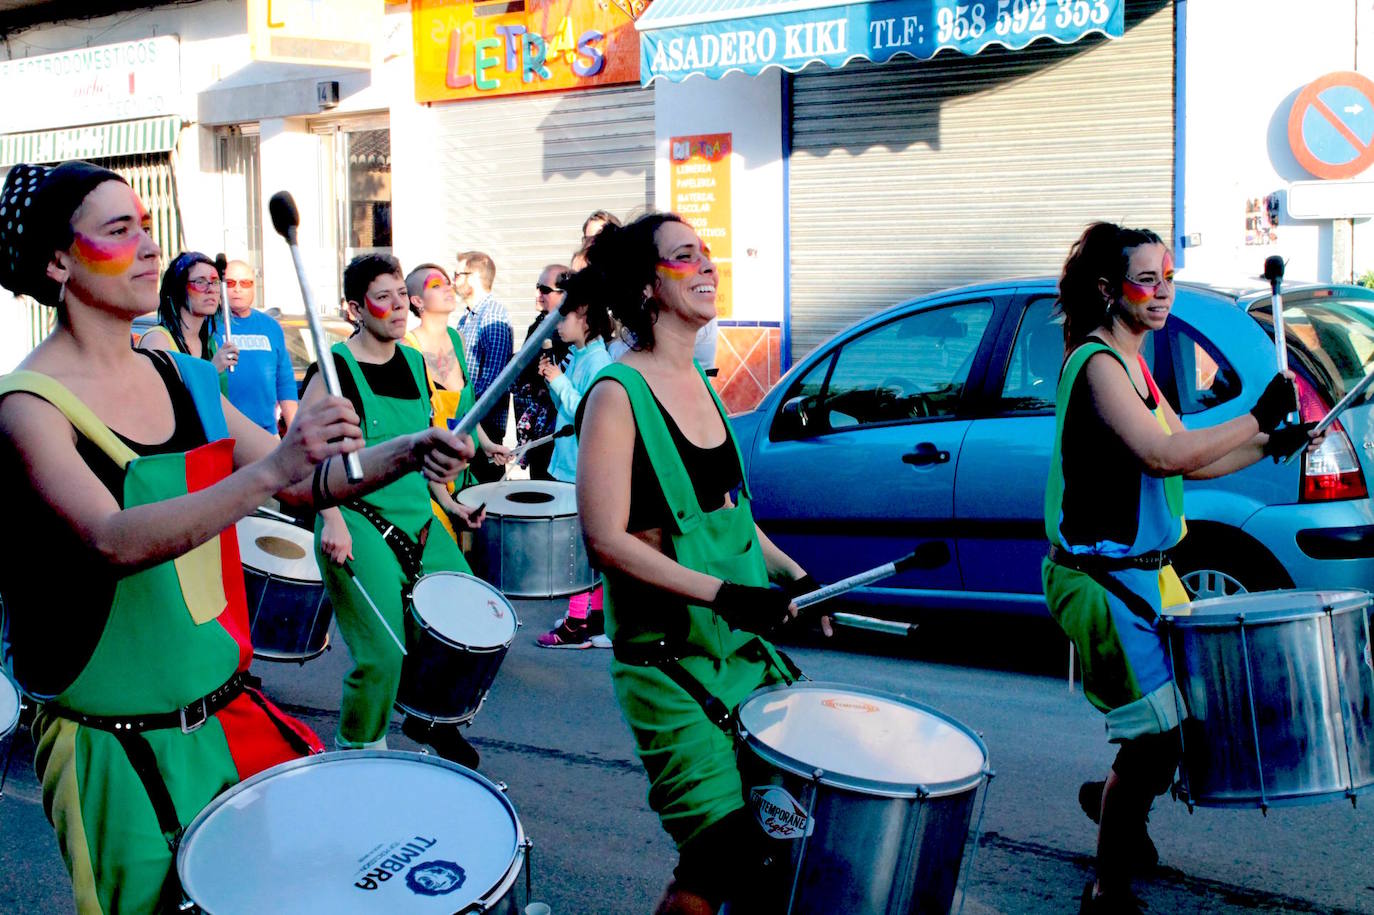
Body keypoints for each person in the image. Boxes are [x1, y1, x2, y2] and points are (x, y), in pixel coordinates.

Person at [0, 161, 475, 914]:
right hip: (114, 749)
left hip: (229, 714)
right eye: (119, 231)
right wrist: (276, 467)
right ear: (59, 261)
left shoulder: (182, 375)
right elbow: (111, 540)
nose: (149, 249)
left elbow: (305, 483)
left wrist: (409, 449)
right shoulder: (29, 407)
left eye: (148, 227)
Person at [1042, 222, 1320, 914]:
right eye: (1147, 279)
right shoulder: (1098, 365)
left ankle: (1118, 804)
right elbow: (1163, 456)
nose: (1162, 291)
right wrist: (1256, 414)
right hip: (1100, 579)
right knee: (1154, 736)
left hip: (1145, 574)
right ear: (1109, 289)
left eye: (1167, 277)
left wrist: (1270, 440)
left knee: (1178, 726)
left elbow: (1191, 457)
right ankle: (1107, 886)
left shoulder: (1136, 365)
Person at [573, 212, 832, 914]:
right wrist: (724, 595)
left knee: (771, 851)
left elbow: (733, 518)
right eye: (685, 257)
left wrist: (793, 575)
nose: (707, 267)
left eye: (707, 254)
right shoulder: (615, 394)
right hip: (668, 667)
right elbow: (606, 539)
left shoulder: (703, 381)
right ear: (649, 286)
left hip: (742, 654)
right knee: (724, 854)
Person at [303, 253, 489, 769]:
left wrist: (450, 501)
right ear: (355, 308)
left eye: (400, 296)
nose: (398, 307)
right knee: (382, 653)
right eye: (382, 298)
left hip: (422, 518)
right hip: (357, 517)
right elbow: (307, 456)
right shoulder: (334, 369)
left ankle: (432, 717)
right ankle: (359, 752)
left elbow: (424, 453)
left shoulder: (412, 361)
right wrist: (332, 519)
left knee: (468, 620)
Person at [404, 262, 512, 539]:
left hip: (465, 476)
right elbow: (417, 430)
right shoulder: (407, 348)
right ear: (417, 301)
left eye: (447, 282)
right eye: (436, 286)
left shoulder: (457, 338)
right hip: (431, 485)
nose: (448, 288)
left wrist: (487, 444)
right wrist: (447, 502)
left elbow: (468, 409)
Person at [534, 287, 613, 649]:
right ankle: (593, 618)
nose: (559, 323)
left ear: (584, 318)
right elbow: (567, 404)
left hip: (580, 464)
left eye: (564, 316)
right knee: (582, 545)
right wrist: (554, 381)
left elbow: (588, 412)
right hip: (569, 460)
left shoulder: (598, 361)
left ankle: (577, 623)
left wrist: (559, 381)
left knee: (575, 548)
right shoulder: (581, 355)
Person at [216, 258, 299, 435]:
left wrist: (294, 434)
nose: (238, 289)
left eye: (245, 283)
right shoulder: (209, 326)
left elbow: (285, 383)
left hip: (265, 431)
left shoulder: (271, 327)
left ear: (254, 286)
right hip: (222, 434)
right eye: (230, 283)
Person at [454, 251, 513, 483]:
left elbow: (493, 384)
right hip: (470, 419)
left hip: (484, 423)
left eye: (458, 274)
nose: (453, 280)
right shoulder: (467, 317)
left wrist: (462, 406)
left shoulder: (493, 317)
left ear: (475, 277)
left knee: (482, 499)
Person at [138, 251, 239, 383]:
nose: (210, 290)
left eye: (215, 282)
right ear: (179, 289)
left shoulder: (210, 344)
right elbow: (162, 399)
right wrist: (212, 370)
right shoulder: (158, 341)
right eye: (200, 281)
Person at [512, 264, 572, 480]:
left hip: (558, 430)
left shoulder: (569, 331)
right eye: (537, 287)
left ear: (564, 294)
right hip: (537, 430)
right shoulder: (537, 325)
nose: (538, 294)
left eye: (545, 290)